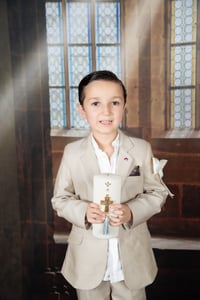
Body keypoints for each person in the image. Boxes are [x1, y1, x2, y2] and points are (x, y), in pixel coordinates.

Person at [51, 70, 171, 300]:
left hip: (131, 257)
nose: (106, 112)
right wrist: (83, 211)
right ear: (82, 110)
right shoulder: (73, 153)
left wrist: (131, 211)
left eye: (114, 103)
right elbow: (60, 199)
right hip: (87, 258)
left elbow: (156, 193)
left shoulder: (141, 149)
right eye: (95, 103)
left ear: (124, 106)